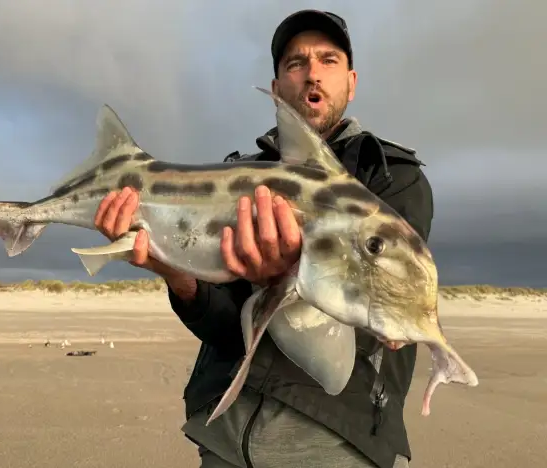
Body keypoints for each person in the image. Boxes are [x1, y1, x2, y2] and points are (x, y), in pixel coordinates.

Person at [94, 9, 433, 468]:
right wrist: (171, 267)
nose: (312, 73)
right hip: (225, 434)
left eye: (328, 60)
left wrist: (286, 278)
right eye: (295, 63)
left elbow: (375, 329)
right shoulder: (238, 178)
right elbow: (222, 328)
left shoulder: (391, 177)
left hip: (335, 440)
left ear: (351, 82)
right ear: (276, 89)